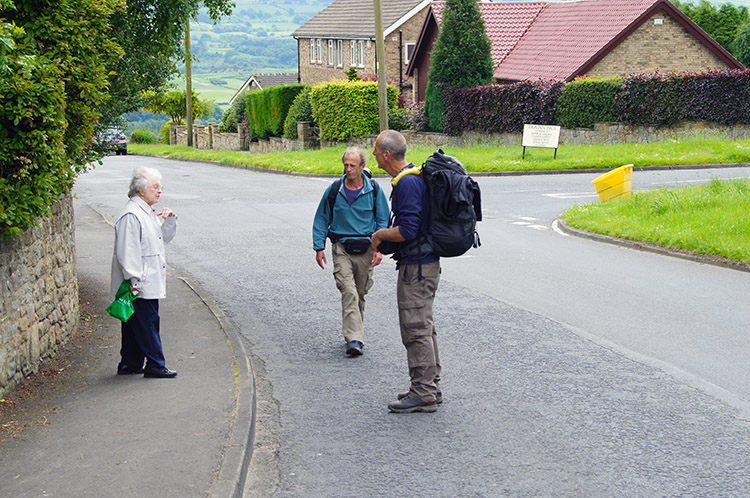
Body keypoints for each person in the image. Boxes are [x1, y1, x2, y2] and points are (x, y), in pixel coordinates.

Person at [370, 130, 442, 413]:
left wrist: (380, 235)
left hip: (417, 268)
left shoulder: (408, 184)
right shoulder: (412, 177)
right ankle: (430, 385)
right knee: (425, 327)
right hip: (425, 265)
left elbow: (409, 229)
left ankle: (423, 392)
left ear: (387, 154)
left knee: (415, 329)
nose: (374, 154)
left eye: (376, 150)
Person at [312, 147, 390, 356]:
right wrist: (319, 246)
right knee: (348, 291)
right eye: (345, 165)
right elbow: (321, 218)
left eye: (352, 166)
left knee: (360, 293)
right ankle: (354, 338)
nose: (348, 169)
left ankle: (356, 332)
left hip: (366, 248)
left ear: (362, 166)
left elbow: (383, 219)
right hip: (342, 248)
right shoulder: (335, 189)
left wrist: (379, 248)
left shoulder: (373, 189)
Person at [110, 166, 178, 378]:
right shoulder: (132, 215)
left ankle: (131, 363)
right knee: (148, 322)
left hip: (143, 279)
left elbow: (162, 238)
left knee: (134, 324)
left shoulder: (145, 212)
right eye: (155, 187)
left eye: (160, 187)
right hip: (139, 282)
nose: (159, 191)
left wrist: (169, 219)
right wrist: (134, 279)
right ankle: (156, 365)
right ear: (141, 190)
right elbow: (126, 251)